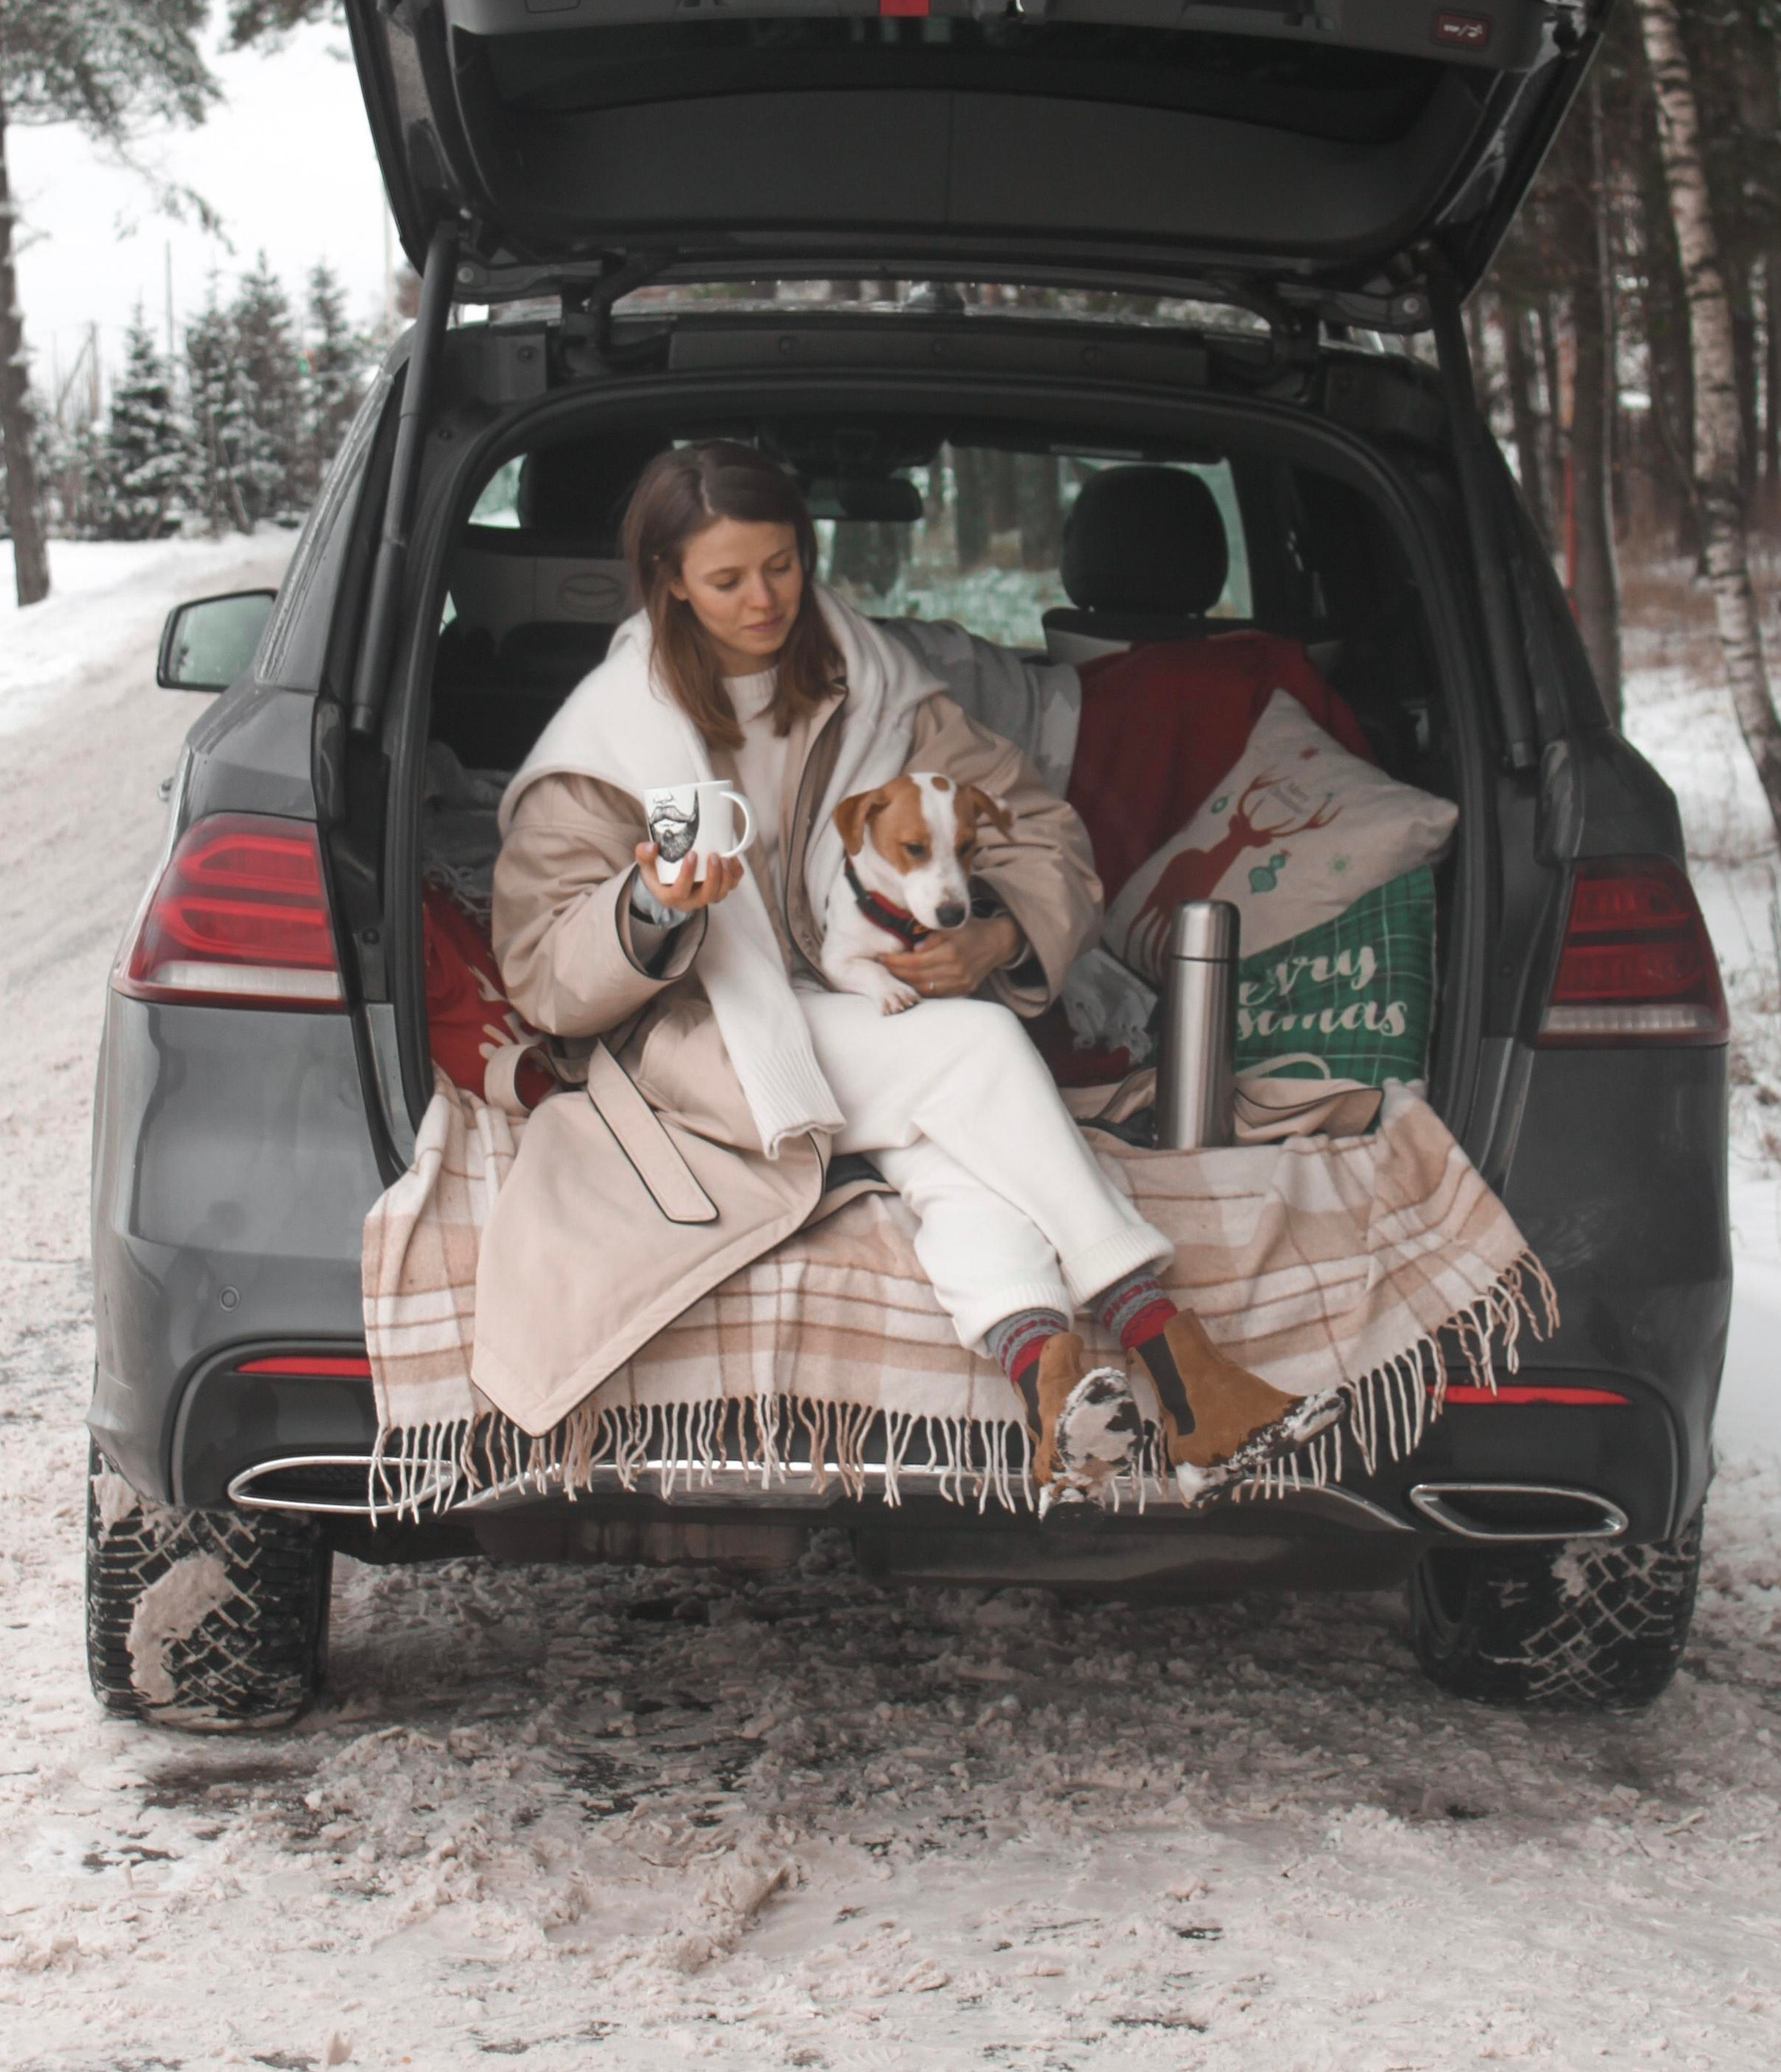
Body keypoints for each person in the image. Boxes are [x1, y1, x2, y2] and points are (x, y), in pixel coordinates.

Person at [490, 441, 1341, 1505]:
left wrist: (999, 937)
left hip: (868, 1009)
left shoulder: (880, 691)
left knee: (953, 1141)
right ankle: (1171, 1346)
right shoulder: (607, 737)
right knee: (976, 1050)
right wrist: (654, 906)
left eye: (784, 564)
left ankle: (1047, 1376)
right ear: (666, 581)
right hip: (704, 1036)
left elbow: (1038, 829)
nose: (765, 600)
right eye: (726, 578)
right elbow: (538, 965)